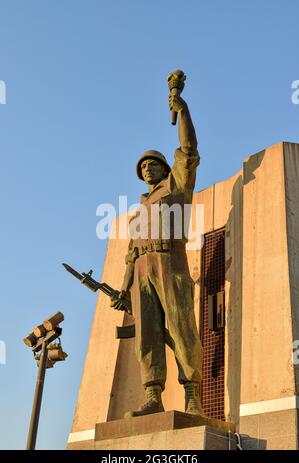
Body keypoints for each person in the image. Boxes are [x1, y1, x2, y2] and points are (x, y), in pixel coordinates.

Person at [111, 92, 203, 417]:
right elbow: (130, 254)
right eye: (143, 167)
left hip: (169, 261)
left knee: (181, 328)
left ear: (165, 168)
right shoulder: (138, 212)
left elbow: (189, 150)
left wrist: (183, 109)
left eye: (152, 164)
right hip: (142, 271)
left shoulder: (176, 188)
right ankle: (153, 395)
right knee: (147, 335)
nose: (147, 168)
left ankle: (192, 394)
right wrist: (124, 287)